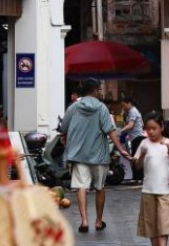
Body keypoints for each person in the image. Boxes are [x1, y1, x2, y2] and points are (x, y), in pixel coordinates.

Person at [60, 78, 131, 233]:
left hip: (79, 155)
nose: (100, 92)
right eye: (99, 89)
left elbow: (63, 127)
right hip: (99, 155)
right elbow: (110, 131)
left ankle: (84, 221)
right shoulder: (101, 108)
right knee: (100, 187)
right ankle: (98, 221)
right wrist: (121, 149)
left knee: (81, 187)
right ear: (93, 90)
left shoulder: (74, 107)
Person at [133, 111, 169, 246]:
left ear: (162, 127)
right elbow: (137, 167)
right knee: (151, 225)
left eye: (154, 128)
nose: (151, 132)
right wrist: (142, 155)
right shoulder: (144, 144)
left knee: (164, 225)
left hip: (165, 190)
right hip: (148, 190)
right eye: (148, 129)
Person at [121, 95, 146, 182]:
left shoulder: (133, 111)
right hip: (134, 138)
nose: (123, 107)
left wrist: (120, 131)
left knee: (136, 158)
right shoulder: (131, 112)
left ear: (129, 103)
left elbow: (130, 125)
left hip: (137, 137)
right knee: (135, 157)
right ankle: (136, 177)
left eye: (124, 105)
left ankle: (138, 177)